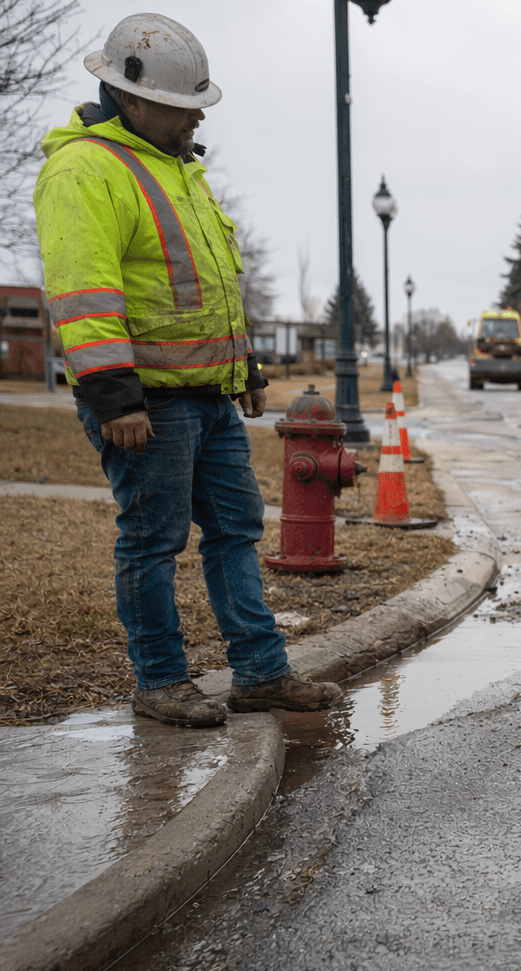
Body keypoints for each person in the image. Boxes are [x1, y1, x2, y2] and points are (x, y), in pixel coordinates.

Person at [34, 14, 341, 727]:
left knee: (237, 531)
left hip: (207, 395)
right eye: (183, 106)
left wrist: (246, 366)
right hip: (145, 402)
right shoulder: (84, 170)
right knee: (153, 541)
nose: (197, 117)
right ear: (130, 99)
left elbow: (211, 284)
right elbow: (85, 295)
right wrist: (115, 398)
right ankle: (161, 681)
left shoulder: (179, 170)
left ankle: (261, 674)